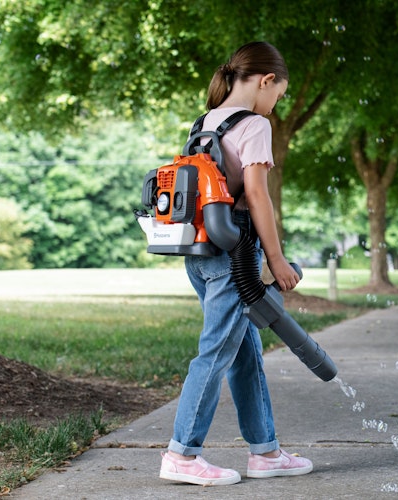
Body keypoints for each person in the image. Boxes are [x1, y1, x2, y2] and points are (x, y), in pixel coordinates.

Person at [159, 41, 310, 487]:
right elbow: (257, 195)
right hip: (234, 256)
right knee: (216, 353)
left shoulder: (203, 123)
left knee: (245, 353)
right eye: (278, 95)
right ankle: (182, 454)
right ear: (266, 81)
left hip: (200, 254)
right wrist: (277, 260)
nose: (275, 105)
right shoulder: (255, 125)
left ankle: (265, 452)